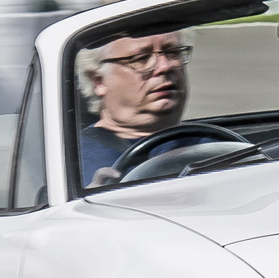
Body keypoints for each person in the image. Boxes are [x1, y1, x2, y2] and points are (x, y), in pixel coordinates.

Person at [74, 29, 192, 185]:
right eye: (141, 58)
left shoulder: (216, 142)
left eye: (173, 52)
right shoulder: (72, 164)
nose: (165, 66)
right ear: (98, 81)